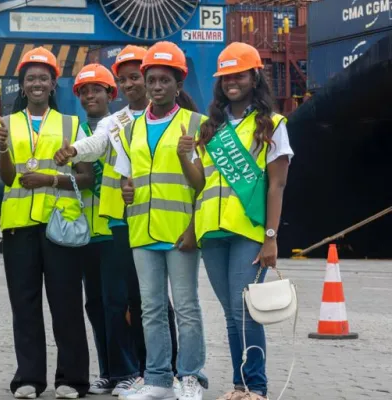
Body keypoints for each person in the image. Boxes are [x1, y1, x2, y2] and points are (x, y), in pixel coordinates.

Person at [53, 46, 180, 399]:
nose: (130, 84)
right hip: (119, 222)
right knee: (114, 301)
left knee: (153, 302)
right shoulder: (117, 122)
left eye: (135, 77)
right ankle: (123, 372)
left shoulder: (175, 119)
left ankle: (162, 370)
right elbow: (97, 142)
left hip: (159, 220)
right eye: (123, 79)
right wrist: (75, 150)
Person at [183, 42, 293, 400]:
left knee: (245, 312)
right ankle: (238, 385)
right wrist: (186, 157)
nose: (232, 82)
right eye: (226, 76)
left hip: (247, 231)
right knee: (232, 314)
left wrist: (271, 237)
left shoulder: (272, 125)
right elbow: (201, 183)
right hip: (211, 232)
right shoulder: (210, 128)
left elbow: (276, 185)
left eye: (239, 75)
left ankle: (255, 387)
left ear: (254, 76)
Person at [0, 46, 94, 399]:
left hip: (59, 225)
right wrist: (3, 149)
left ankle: (72, 379)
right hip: (19, 226)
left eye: (43, 78)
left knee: (65, 303)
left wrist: (50, 180)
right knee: (25, 304)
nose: (37, 83)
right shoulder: (5, 125)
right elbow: (6, 179)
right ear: (22, 85)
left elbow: (86, 177)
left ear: (53, 84)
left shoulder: (72, 124)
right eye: (30, 78)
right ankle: (29, 379)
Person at [117, 42, 207, 400]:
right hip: (142, 231)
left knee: (186, 307)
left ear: (178, 84)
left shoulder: (195, 124)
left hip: (181, 233)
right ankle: (157, 380)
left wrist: (194, 228)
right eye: (151, 79)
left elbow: (204, 184)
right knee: (151, 309)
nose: (156, 86)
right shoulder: (131, 128)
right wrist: (126, 189)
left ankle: (191, 376)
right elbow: (128, 176)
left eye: (164, 80)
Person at [59, 63, 143, 397]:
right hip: (83, 233)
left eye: (97, 89)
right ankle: (109, 371)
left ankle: (132, 369)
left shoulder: (121, 125)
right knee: (95, 304)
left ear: (112, 93)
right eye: (83, 91)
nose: (90, 95)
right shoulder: (74, 127)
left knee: (125, 302)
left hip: (115, 225)